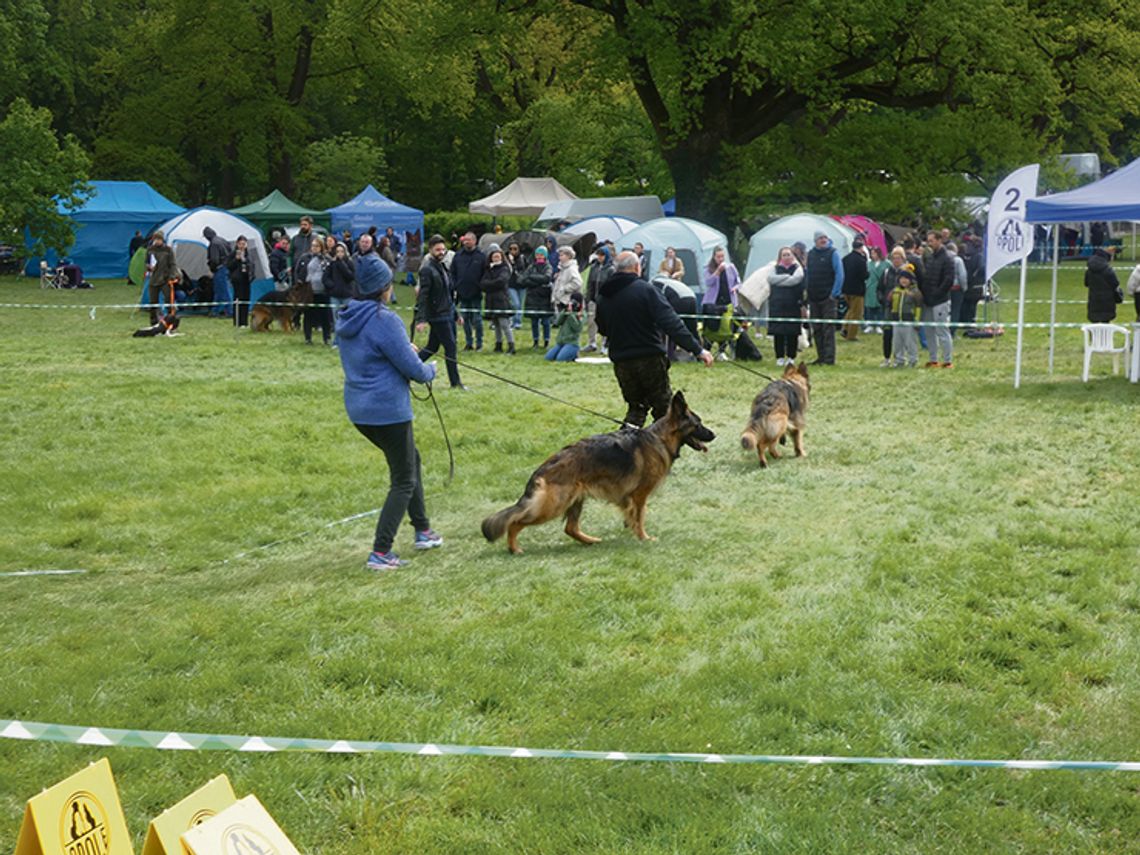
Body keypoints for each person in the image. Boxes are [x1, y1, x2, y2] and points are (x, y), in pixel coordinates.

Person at [336, 253, 441, 571]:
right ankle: (381, 552)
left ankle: (423, 529)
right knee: (403, 479)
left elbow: (378, 353)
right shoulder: (385, 319)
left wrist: (403, 350)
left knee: (411, 462)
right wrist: (430, 369)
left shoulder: (346, 316)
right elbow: (415, 371)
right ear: (382, 286)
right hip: (387, 411)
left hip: (360, 411)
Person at [596, 251, 713, 427]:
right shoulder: (646, 290)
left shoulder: (604, 295)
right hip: (649, 358)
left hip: (622, 360)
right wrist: (697, 349)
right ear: (637, 267)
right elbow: (671, 323)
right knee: (664, 411)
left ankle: (624, 449)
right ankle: (663, 451)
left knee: (636, 409)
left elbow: (603, 328)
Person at [415, 234, 466, 389]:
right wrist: (421, 319)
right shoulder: (427, 270)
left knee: (432, 347)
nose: (441, 252)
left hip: (448, 313)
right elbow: (423, 296)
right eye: (437, 249)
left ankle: (407, 368)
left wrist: (456, 314)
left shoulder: (443, 267)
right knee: (450, 348)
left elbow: (448, 294)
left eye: (443, 249)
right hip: (437, 315)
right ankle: (455, 383)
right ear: (430, 250)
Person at [804, 231, 844, 365]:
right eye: (820, 238)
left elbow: (839, 274)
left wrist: (834, 294)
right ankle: (820, 357)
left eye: (825, 237)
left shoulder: (833, 253)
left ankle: (829, 359)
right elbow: (808, 274)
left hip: (828, 298)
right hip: (814, 297)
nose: (823, 240)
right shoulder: (810, 254)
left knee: (828, 329)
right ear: (815, 240)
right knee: (817, 329)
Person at [920, 230, 954, 367]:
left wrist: (937, 293)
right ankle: (933, 359)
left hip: (940, 300)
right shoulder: (930, 257)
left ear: (939, 240)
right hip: (928, 300)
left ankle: (947, 360)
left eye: (932, 241)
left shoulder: (947, 258)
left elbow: (948, 280)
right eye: (928, 241)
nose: (929, 243)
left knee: (942, 331)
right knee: (929, 331)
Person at [767, 246, 805, 366]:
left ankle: (791, 356)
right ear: (780, 257)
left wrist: (781, 281)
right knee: (778, 333)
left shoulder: (798, 269)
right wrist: (786, 278)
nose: (787, 257)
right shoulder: (774, 269)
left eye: (789, 254)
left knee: (792, 332)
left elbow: (796, 280)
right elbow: (771, 279)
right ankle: (779, 357)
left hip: (792, 304)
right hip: (777, 304)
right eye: (784, 255)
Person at [701, 246, 739, 355]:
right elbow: (708, 283)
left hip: (727, 300)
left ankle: (722, 351)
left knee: (725, 326)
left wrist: (736, 287)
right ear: (714, 257)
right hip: (713, 302)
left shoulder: (731, 267)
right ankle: (707, 349)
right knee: (712, 326)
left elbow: (738, 281)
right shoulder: (708, 269)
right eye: (718, 257)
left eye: (722, 256)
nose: (721, 259)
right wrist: (717, 272)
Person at [452, 231, 486, 351]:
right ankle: (469, 343)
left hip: (476, 293)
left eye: (469, 240)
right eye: (465, 240)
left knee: (477, 319)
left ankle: (479, 343)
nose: (466, 242)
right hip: (462, 292)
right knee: (465, 319)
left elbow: (485, 273)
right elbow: (453, 272)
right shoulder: (458, 256)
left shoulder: (481, 256)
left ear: (474, 241)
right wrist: (455, 285)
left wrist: (481, 286)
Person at [296, 236, 331, 345]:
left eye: (317, 246)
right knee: (308, 315)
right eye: (313, 246)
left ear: (321, 247)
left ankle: (326, 338)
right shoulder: (305, 257)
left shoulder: (326, 259)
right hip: (309, 291)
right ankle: (308, 338)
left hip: (323, 291)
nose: (314, 248)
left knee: (324, 315)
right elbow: (298, 270)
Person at [480, 244, 515, 354]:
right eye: (494, 256)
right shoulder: (488, 269)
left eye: (498, 256)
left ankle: (511, 345)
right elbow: (482, 283)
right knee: (496, 324)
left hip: (501, 300)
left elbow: (501, 281)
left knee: (504, 324)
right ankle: (498, 345)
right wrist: (491, 284)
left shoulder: (504, 268)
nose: (496, 258)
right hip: (491, 300)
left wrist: (490, 284)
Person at [581, 244, 613, 353]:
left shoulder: (611, 269)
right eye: (598, 255)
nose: (600, 257)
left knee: (605, 323)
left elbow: (611, 285)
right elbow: (589, 283)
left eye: (602, 255)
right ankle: (592, 343)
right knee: (591, 322)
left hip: (605, 301)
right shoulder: (594, 267)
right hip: (593, 300)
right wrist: (588, 297)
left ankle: (605, 344)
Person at [888, 265, 921, 367]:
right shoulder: (894, 291)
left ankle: (913, 360)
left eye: (906, 278)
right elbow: (889, 304)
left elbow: (918, 307)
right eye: (902, 278)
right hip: (897, 320)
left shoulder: (915, 292)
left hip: (909, 321)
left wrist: (917, 320)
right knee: (897, 343)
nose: (904, 280)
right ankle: (899, 360)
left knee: (910, 343)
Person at [521, 246, 554, 348]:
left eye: (541, 255)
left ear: (545, 256)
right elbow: (522, 279)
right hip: (532, 298)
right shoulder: (531, 267)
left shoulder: (548, 267)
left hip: (544, 297)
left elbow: (546, 278)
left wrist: (532, 277)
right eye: (537, 254)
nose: (539, 257)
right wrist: (537, 281)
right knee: (534, 321)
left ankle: (546, 341)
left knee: (545, 321)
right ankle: (535, 341)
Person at [145, 230, 179, 325]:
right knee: (153, 302)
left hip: (166, 279)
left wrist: (172, 276)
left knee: (169, 301)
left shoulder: (168, 250)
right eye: (156, 239)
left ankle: (171, 321)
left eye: (159, 239)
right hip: (153, 279)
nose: (157, 241)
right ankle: (153, 322)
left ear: (162, 240)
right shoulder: (150, 250)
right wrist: (149, 267)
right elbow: (146, 263)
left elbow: (173, 264)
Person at [324, 241, 356, 342]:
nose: (340, 254)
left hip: (347, 295)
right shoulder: (331, 264)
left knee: (348, 319)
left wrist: (341, 264)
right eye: (338, 251)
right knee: (336, 319)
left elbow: (350, 276)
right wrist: (332, 286)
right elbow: (325, 277)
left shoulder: (350, 263)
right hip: (335, 295)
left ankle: (348, 340)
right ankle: (337, 341)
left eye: (342, 251)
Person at [840, 238, 868, 341]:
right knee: (856, 313)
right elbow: (864, 275)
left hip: (846, 289)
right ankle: (851, 335)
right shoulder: (861, 260)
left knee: (850, 310)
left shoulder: (845, 258)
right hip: (857, 290)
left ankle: (844, 328)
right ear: (861, 248)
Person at [1085, 246, 1121, 322]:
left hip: (1093, 300)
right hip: (1107, 302)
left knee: (1094, 326)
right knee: (1106, 326)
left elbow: (1086, 283)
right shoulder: (1108, 270)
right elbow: (1115, 283)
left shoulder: (1089, 270)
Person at [226, 235, 255, 328]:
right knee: (238, 300)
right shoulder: (233, 253)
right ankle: (237, 322)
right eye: (240, 244)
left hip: (246, 280)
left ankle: (244, 322)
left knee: (246, 300)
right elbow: (228, 266)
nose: (242, 246)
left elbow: (252, 265)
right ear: (237, 244)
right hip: (237, 280)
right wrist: (236, 260)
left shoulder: (248, 254)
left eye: (244, 244)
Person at [203, 226, 232, 317]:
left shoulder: (213, 244)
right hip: (227, 267)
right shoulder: (223, 240)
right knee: (221, 290)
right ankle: (215, 310)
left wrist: (212, 269)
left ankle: (229, 311)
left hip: (219, 269)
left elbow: (214, 259)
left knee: (223, 291)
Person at [546, 293, 584, 362]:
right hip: (561, 342)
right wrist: (564, 312)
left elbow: (578, 328)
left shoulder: (581, 314)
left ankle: (574, 354)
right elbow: (557, 322)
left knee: (560, 359)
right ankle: (566, 352)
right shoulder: (566, 312)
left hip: (572, 342)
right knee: (548, 357)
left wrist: (570, 314)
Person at [945, 241, 969, 338]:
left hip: (944, 288)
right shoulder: (958, 260)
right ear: (955, 250)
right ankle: (952, 332)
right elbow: (962, 275)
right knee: (955, 310)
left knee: (945, 310)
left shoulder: (943, 259)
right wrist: (964, 288)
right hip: (956, 288)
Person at [863, 245, 888, 333]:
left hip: (880, 287)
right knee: (870, 306)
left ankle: (879, 325)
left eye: (874, 253)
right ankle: (869, 324)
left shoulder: (886, 263)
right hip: (870, 287)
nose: (873, 255)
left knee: (879, 306)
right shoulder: (869, 264)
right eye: (872, 253)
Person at [551, 245, 582, 310]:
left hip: (566, 302)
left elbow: (578, 283)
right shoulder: (562, 268)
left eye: (562, 255)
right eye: (559, 255)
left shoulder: (571, 269)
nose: (559, 258)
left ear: (568, 256)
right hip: (559, 301)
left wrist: (564, 289)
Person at [505, 242, 527, 329]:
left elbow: (524, 269)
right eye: (510, 249)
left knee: (520, 304)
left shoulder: (522, 258)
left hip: (521, 284)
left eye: (515, 249)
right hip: (511, 284)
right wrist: (510, 261)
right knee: (515, 304)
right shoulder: (506, 259)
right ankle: (514, 321)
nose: (512, 251)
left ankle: (518, 322)